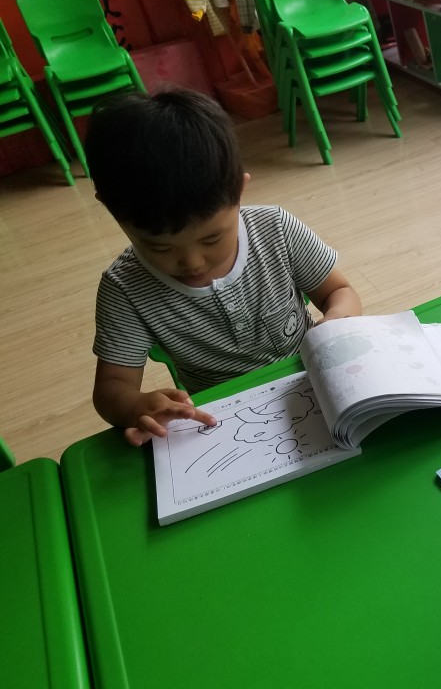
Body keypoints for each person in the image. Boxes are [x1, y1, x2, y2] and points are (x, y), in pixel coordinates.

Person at [87, 88, 362, 447]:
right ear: (111, 210)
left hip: (315, 381)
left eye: (211, 238)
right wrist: (135, 405)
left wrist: (337, 321)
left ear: (239, 190)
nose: (192, 262)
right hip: (225, 421)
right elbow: (111, 390)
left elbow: (339, 291)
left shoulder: (275, 229)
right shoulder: (124, 289)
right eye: (160, 247)